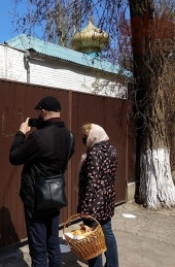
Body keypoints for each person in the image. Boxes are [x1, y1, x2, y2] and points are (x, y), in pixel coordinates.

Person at [9, 96, 75, 267]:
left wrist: (21, 133)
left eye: (40, 112)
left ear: (43, 111)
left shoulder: (38, 138)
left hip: (36, 200)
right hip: (55, 196)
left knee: (38, 250)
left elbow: (14, 157)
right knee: (52, 243)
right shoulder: (69, 136)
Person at [77, 123, 119, 267]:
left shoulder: (94, 152)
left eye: (86, 136)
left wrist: (86, 209)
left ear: (94, 135)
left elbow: (91, 182)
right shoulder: (112, 150)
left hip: (93, 204)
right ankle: (113, 264)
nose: (84, 139)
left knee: (92, 240)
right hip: (106, 200)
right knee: (107, 233)